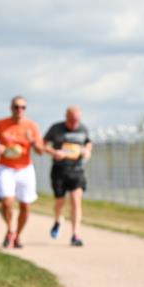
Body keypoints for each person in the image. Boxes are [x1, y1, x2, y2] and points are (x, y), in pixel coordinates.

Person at [0, 96, 45, 249]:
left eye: (23, 107)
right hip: (6, 167)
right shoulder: (1, 124)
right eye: (17, 107)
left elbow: (40, 151)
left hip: (25, 168)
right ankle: (10, 230)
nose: (20, 110)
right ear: (11, 108)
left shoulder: (31, 126)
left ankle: (18, 235)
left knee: (25, 205)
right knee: (7, 202)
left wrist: (32, 141)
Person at [44, 106, 92, 247]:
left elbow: (88, 143)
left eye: (77, 120)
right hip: (59, 170)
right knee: (60, 201)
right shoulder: (56, 128)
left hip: (77, 170)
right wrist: (54, 152)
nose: (74, 123)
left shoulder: (83, 129)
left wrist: (87, 151)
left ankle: (75, 235)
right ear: (66, 117)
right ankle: (58, 220)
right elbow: (43, 145)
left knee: (76, 200)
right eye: (72, 120)